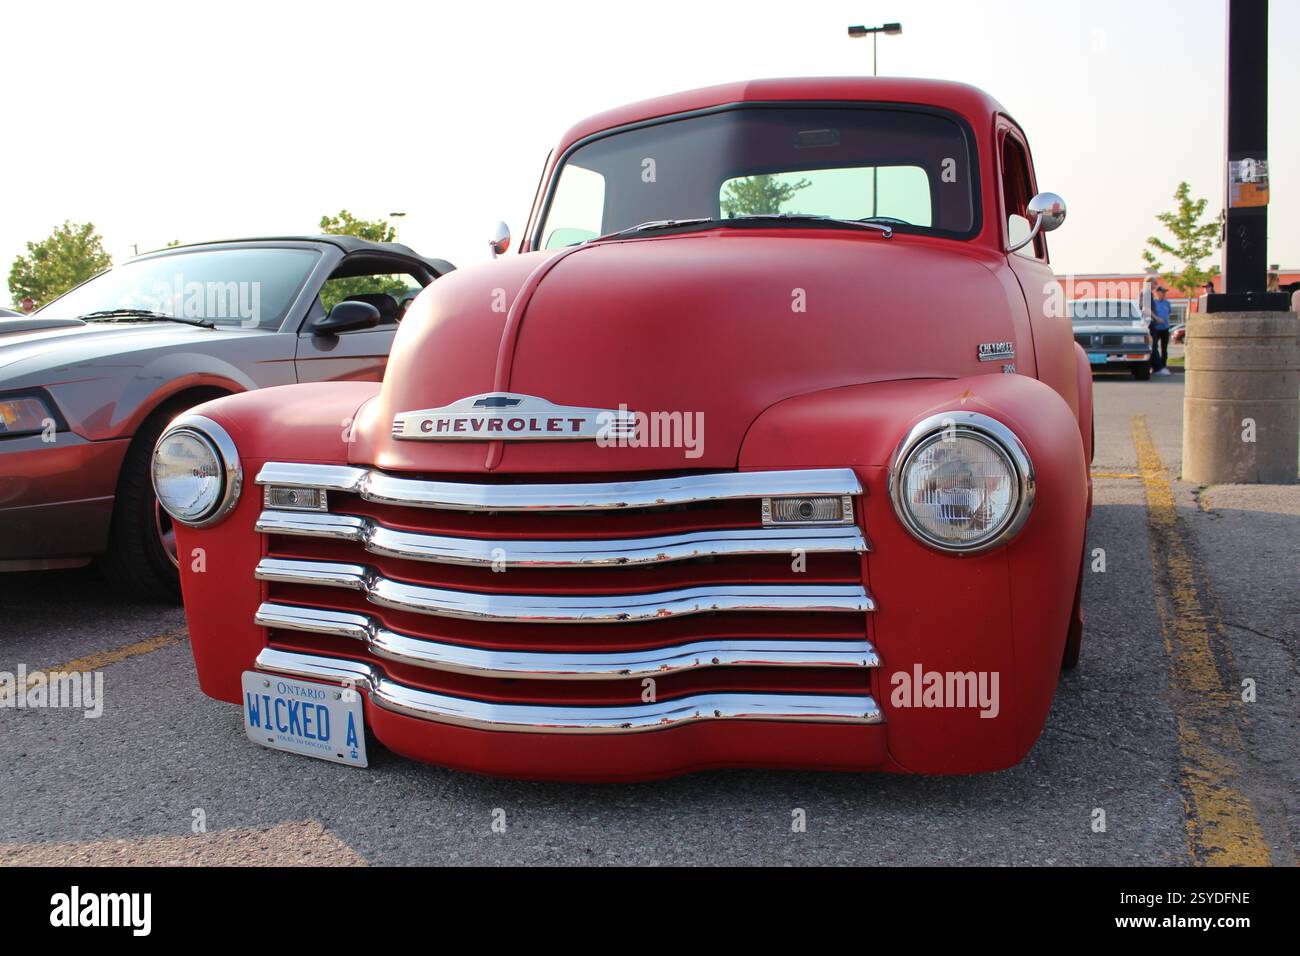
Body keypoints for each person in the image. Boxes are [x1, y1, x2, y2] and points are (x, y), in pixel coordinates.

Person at [1150, 286, 1172, 376]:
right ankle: (1154, 366)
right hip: (1156, 329)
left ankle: (1163, 366)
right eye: (1162, 292)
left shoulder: (1167, 303)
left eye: (1164, 292)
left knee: (1164, 349)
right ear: (1157, 293)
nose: (1163, 294)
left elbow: (1169, 313)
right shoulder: (1154, 303)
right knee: (1154, 348)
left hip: (1165, 329)